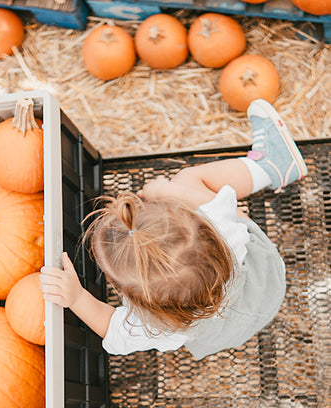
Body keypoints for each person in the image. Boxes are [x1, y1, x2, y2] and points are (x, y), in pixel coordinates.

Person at [39, 99, 308, 359]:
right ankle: (270, 166)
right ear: (202, 230)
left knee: (187, 182)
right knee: (189, 179)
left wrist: (75, 298)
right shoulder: (222, 230)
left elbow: (111, 327)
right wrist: (168, 189)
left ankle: (275, 167)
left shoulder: (158, 327)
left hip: (231, 331)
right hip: (267, 279)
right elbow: (218, 201)